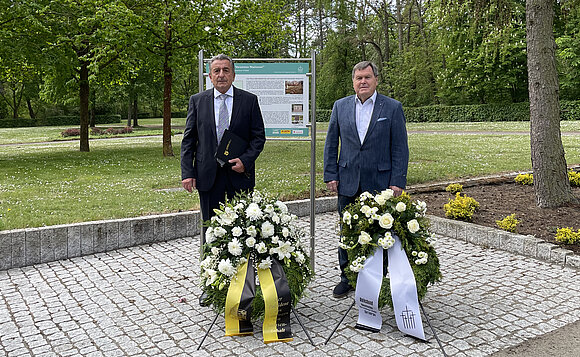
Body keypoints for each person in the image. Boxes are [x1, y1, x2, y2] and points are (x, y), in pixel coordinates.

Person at [323, 61, 409, 298]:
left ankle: (377, 278)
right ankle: (347, 277)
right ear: (353, 82)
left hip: (380, 183)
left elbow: (400, 147)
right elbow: (331, 144)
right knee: (347, 231)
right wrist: (330, 174)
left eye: (367, 77)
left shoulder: (391, 108)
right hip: (348, 180)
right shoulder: (340, 107)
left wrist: (398, 181)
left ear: (376, 80)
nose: (363, 82)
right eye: (359, 78)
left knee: (380, 233)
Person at [181, 53, 266, 237]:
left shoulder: (249, 100)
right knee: (211, 231)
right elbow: (189, 140)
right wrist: (187, 173)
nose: (221, 75)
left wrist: (245, 160)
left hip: (239, 174)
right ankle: (211, 265)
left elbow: (258, 137)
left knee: (243, 229)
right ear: (210, 76)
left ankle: (242, 265)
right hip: (208, 176)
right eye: (216, 71)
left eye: (226, 70)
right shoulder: (197, 101)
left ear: (233, 75)